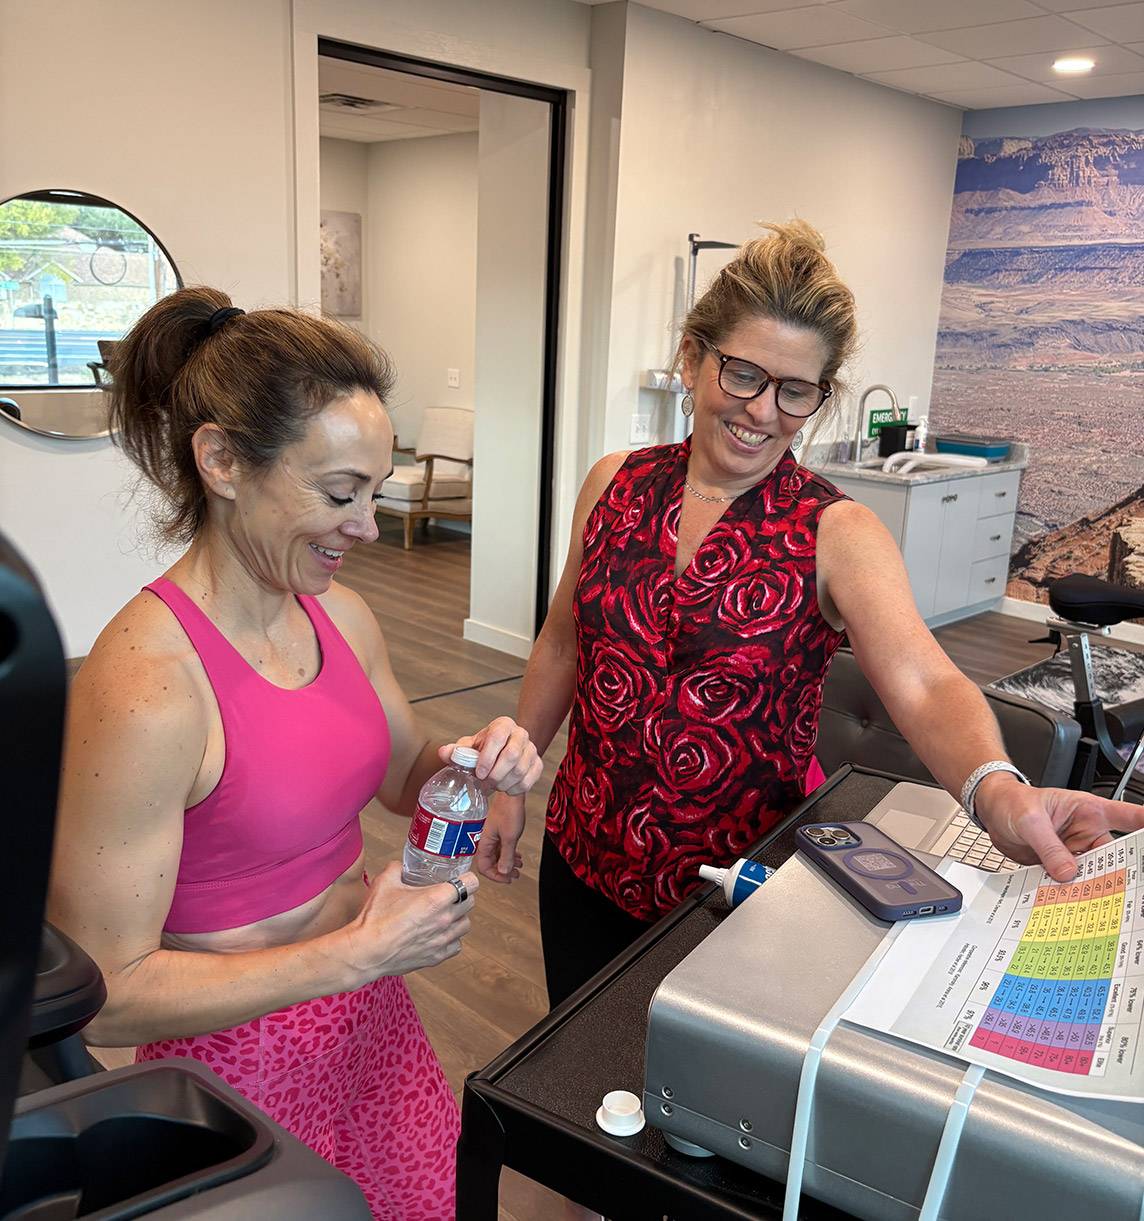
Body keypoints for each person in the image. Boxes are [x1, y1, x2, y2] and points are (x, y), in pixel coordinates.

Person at [476, 218, 1144, 1013]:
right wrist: (516, 779)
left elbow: (926, 682)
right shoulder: (613, 483)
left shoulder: (837, 532)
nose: (764, 411)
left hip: (733, 888)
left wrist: (996, 788)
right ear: (692, 357)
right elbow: (562, 641)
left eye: (797, 390)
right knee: (578, 1076)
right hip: (583, 853)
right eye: (745, 374)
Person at [47, 287, 542, 1221]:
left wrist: (476, 759)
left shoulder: (339, 616)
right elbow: (105, 995)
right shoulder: (148, 685)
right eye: (338, 493)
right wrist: (352, 953)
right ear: (223, 460)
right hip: (240, 1059)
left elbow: (404, 776)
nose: (365, 527)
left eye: (375, 494)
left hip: (370, 1017)